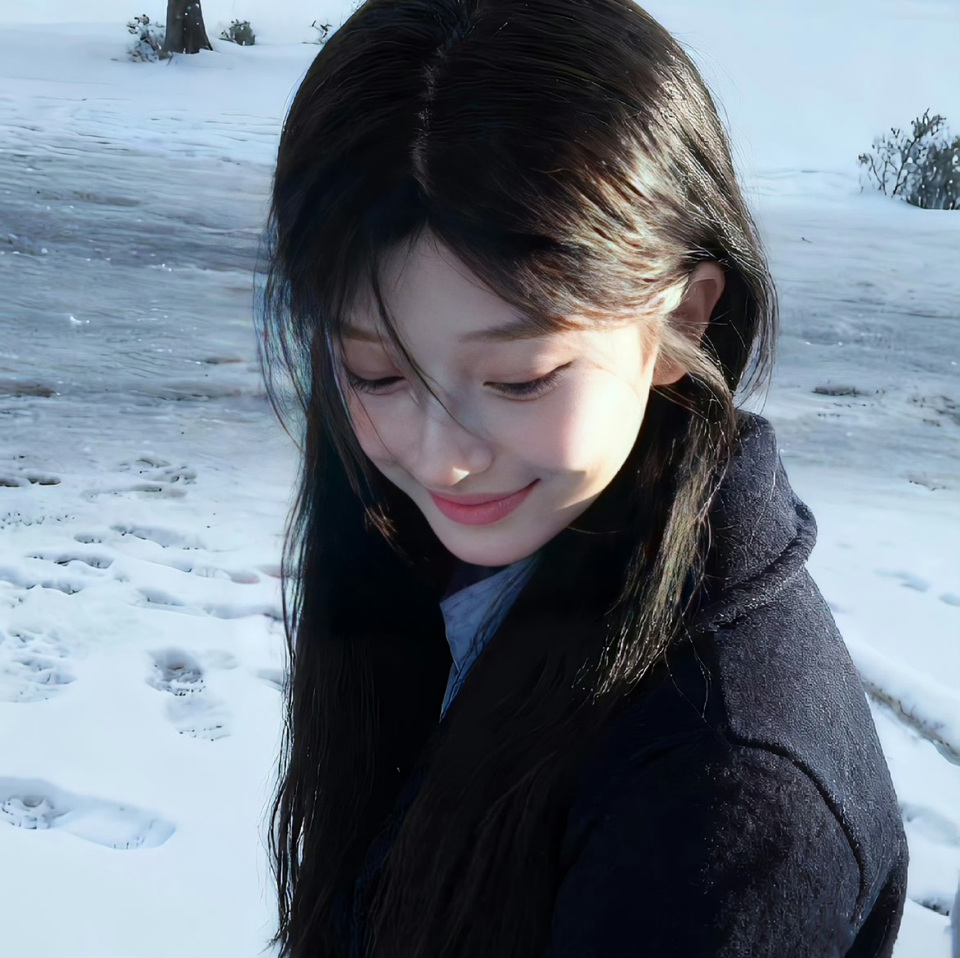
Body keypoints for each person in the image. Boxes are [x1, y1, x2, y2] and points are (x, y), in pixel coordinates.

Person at [256, 1, 908, 955]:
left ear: (682, 318)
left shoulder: (721, 802)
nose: (442, 457)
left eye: (520, 379)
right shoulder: (432, 560)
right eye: (376, 372)